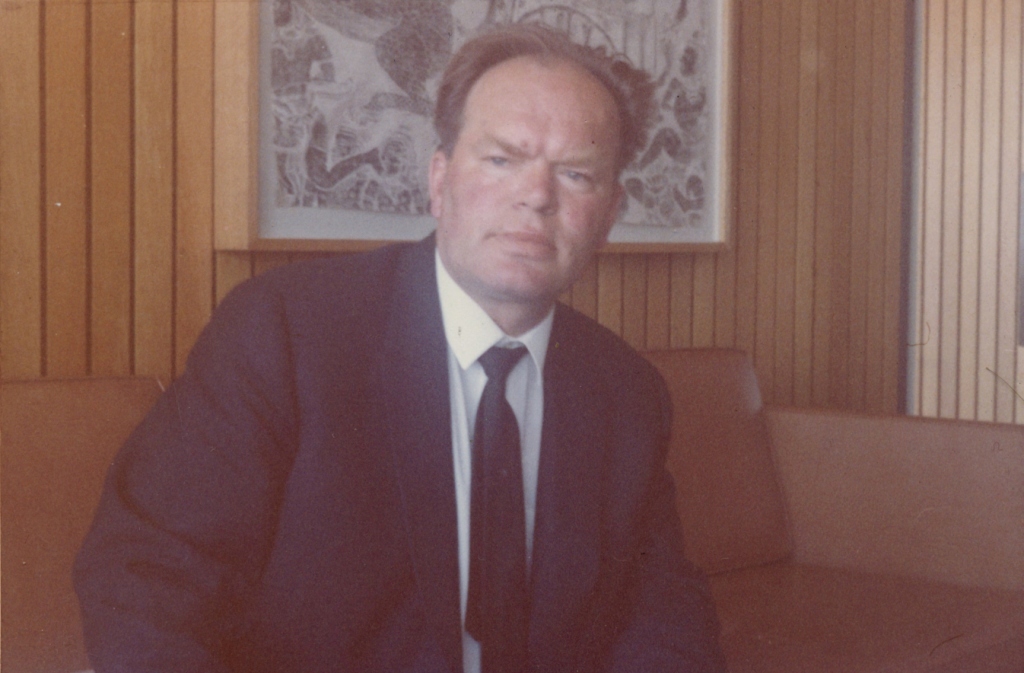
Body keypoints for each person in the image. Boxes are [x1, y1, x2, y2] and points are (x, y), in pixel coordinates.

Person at [74, 22, 726, 673]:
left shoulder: (626, 392)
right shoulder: (285, 332)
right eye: (501, 160)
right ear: (439, 180)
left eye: (576, 174)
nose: (536, 196)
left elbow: (662, 614)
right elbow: (145, 577)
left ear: (609, 213)